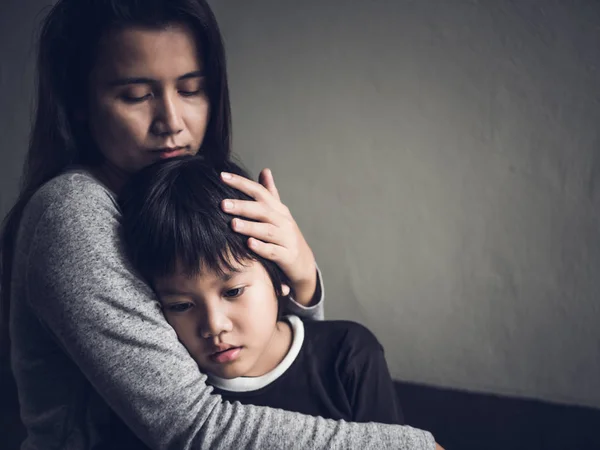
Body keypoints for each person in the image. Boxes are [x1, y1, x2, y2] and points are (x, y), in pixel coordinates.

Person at [0, 0, 442, 448]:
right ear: (79, 103)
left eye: (191, 89)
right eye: (136, 96)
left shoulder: (180, 196)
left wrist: (302, 280)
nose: (171, 123)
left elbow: (276, 383)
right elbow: (195, 429)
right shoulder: (73, 213)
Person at [119, 155, 405, 425]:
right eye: (181, 305)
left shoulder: (348, 354)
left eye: (233, 292)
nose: (214, 326)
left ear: (279, 274)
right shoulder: (175, 398)